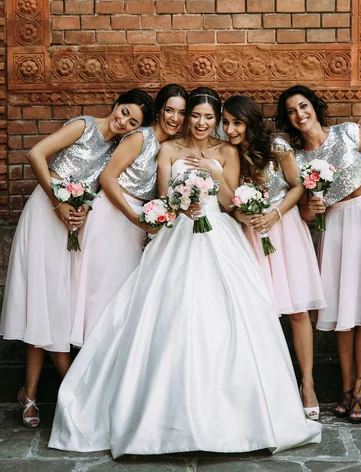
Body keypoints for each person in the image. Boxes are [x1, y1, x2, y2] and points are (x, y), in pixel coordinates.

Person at [48, 87, 321, 457]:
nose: (202, 123)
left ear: (217, 120)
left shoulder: (227, 152)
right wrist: (178, 204)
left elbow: (228, 204)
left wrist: (214, 173)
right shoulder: (169, 150)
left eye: (210, 118)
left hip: (218, 236)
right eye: (196, 116)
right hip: (177, 235)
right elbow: (162, 195)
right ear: (188, 117)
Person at [0, 89, 154, 428]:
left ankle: (39, 392)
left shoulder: (117, 148)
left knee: (57, 303)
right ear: (115, 104)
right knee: (45, 299)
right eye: (124, 111)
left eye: (133, 121)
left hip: (72, 224)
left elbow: (96, 188)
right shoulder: (84, 126)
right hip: (46, 213)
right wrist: (58, 203)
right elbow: (36, 153)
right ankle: (56, 391)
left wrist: (79, 209)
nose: (124, 120)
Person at [276, 84, 361, 424]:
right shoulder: (297, 159)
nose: (299, 114)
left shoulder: (348, 133)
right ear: (287, 119)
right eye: (291, 111)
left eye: (303, 106)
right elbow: (303, 212)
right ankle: (346, 388)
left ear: (314, 107)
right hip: (335, 226)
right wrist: (312, 206)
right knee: (345, 305)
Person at [222, 95, 326, 421]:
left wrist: (275, 214)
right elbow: (227, 200)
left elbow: (297, 187)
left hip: (286, 230)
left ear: (249, 121)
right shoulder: (228, 153)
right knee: (258, 313)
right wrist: (246, 215)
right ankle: (267, 389)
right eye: (225, 123)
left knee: (297, 311)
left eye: (236, 122)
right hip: (251, 235)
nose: (230, 129)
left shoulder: (277, 145)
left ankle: (307, 384)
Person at [70, 84, 188, 346]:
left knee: (122, 294)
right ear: (160, 111)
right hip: (111, 216)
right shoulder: (141, 138)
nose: (174, 119)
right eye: (170, 111)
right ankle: (88, 358)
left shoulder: (170, 146)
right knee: (100, 290)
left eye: (181, 113)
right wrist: (134, 218)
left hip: (137, 223)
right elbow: (108, 178)